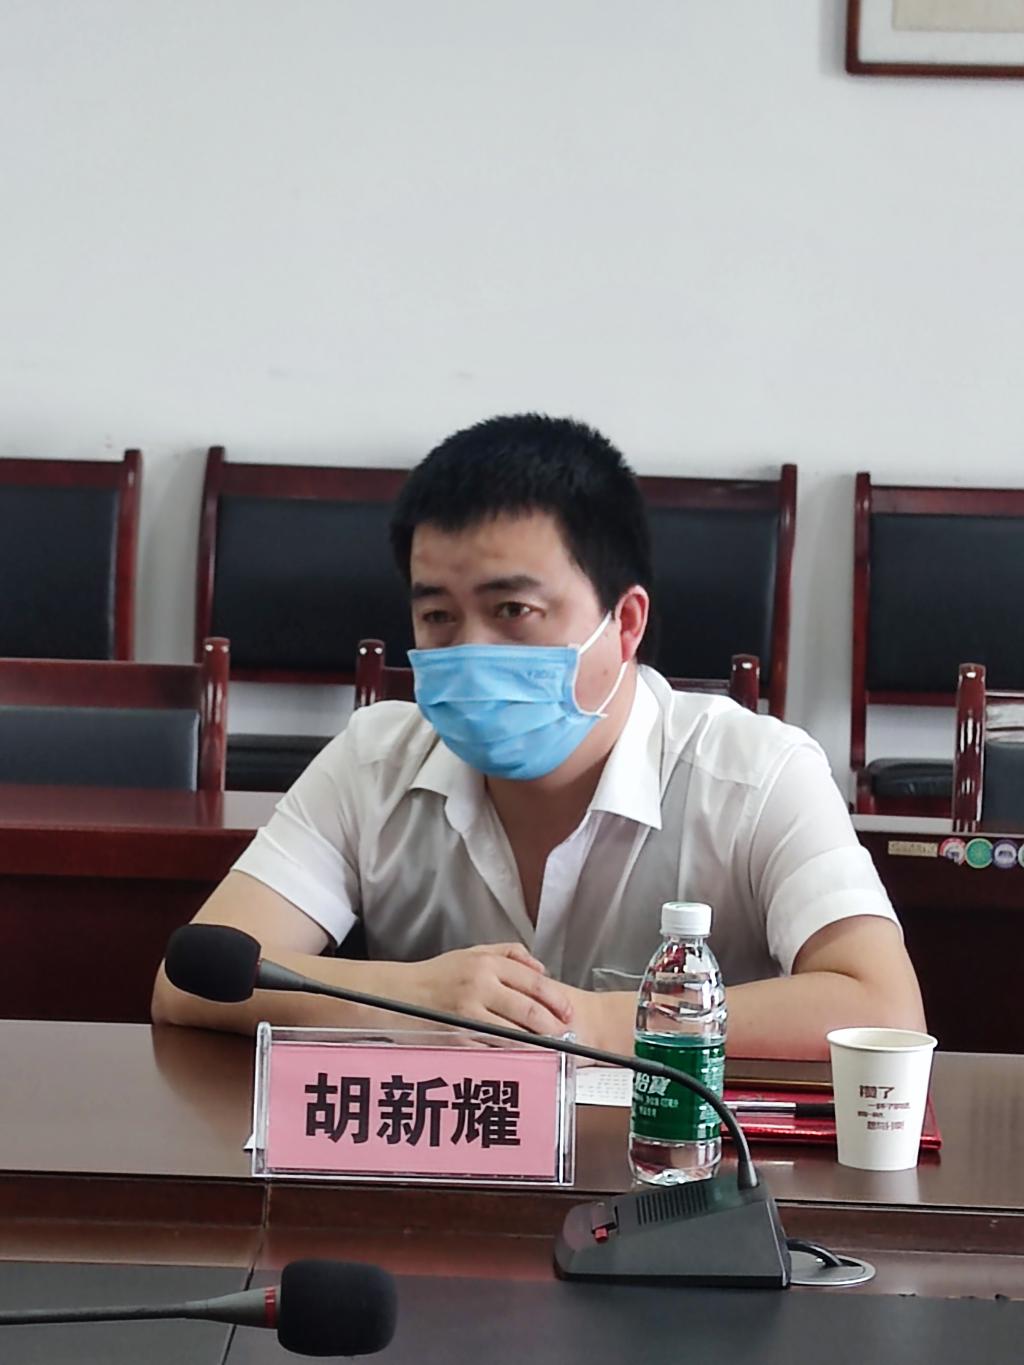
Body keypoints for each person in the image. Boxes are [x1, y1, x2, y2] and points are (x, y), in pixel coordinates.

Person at [152, 414, 925, 1057]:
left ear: (625, 622)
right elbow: (190, 981)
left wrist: (591, 1023)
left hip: (676, 1177)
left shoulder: (756, 774)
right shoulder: (373, 760)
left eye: (513, 611)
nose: (469, 649)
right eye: (437, 615)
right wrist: (413, 998)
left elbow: (882, 1007)